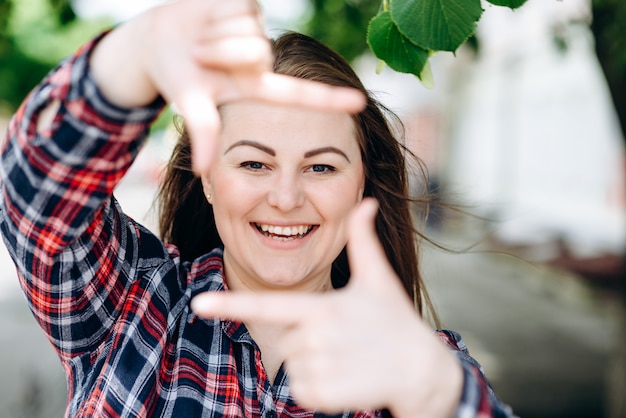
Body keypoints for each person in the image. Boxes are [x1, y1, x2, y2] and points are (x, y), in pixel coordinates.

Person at [0, 0, 515, 417]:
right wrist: (135, 51)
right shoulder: (128, 304)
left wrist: (434, 398)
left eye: (321, 167)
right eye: (253, 164)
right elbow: (35, 197)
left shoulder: (419, 368)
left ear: (363, 185)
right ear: (206, 177)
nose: (286, 198)